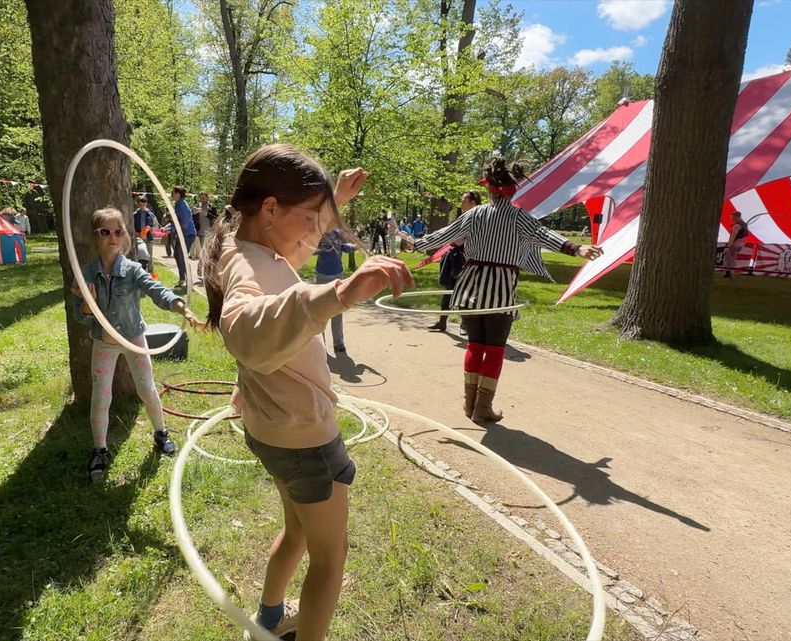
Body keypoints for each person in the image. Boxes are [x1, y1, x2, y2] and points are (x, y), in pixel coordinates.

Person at [201, 143, 412, 641]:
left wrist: (334, 198)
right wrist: (340, 292)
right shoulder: (247, 265)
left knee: (297, 530)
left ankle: (269, 619)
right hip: (305, 438)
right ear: (271, 208)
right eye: (311, 217)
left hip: (274, 429)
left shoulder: (247, 244)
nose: (315, 231)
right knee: (330, 556)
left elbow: (295, 249)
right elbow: (245, 328)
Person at [414, 157, 601, 423]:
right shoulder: (519, 218)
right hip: (500, 291)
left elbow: (445, 234)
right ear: (513, 190)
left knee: (475, 345)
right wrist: (577, 248)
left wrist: (416, 244)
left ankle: (470, 405)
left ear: (489, 189)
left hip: (470, 288)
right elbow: (544, 235)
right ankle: (482, 408)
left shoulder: (475, 214)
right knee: (494, 349)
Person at [71, 207, 205, 482]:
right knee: (101, 397)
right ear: (95, 236)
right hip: (104, 342)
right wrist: (86, 306)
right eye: (105, 232)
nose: (112, 237)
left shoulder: (132, 270)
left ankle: (161, 433)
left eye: (118, 231)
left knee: (147, 389)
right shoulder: (85, 274)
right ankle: (100, 450)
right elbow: (80, 317)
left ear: (125, 235)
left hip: (133, 338)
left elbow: (156, 290)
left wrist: (181, 307)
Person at [428, 191, 479, 333]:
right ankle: (442, 321)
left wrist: (454, 239)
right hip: (454, 257)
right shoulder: (463, 218)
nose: (461, 204)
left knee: (465, 291)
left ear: (472, 202)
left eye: (464, 200)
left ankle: (465, 324)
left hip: (467, 259)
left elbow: (462, 240)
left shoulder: (478, 218)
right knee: (448, 289)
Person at [314, 228, 356, 355]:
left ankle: (338, 343)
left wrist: (354, 246)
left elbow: (345, 247)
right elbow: (311, 249)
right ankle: (321, 343)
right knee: (321, 310)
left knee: (338, 309)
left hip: (337, 274)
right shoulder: (319, 232)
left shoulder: (338, 233)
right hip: (322, 274)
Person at [168, 185, 197, 290]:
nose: (171, 194)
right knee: (177, 255)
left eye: (173, 193)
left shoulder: (182, 206)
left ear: (178, 194)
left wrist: (172, 229)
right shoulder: (178, 204)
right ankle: (182, 279)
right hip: (183, 234)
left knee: (182, 256)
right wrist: (167, 228)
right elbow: (177, 221)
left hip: (188, 234)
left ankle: (189, 282)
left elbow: (184, 224)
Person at [723, 211, 748, 278]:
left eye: (733, 218)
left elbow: (733, 236)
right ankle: (730, 273)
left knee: (728, 258)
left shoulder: (736, 225)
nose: (732, 219)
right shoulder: (744, 225)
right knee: (732, 258)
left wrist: (728, 246)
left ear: (737, 217)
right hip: (741, 244)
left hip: (734, 244)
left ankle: (729, 273)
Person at [133, 195, 159, 260]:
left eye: (144, 203)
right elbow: (131, 226)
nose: (142, 205)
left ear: (146, 204)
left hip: (148, 237)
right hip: (138, 237)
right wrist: (135, 232)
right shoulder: (134, 215)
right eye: (140, 204)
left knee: (149, 256)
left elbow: (155, 225)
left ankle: (150, 266)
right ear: (137, 204)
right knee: (139, 256)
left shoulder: (151, 214)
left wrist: (152, 230)